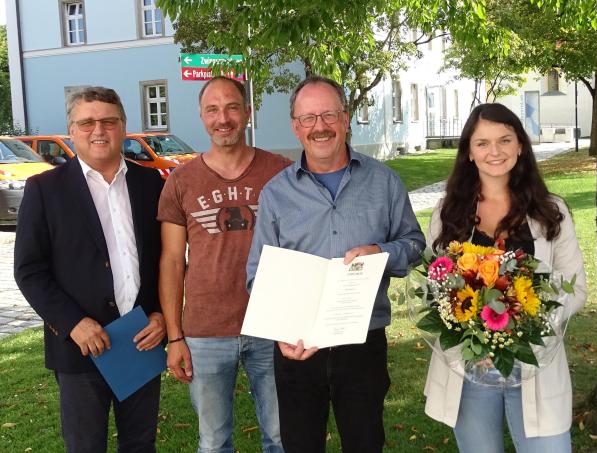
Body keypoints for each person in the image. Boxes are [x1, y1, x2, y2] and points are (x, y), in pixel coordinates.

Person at [245, 76, 425, 453]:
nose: (319, 126)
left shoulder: (384, 183)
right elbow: (257, 276)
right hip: (297, 346)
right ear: (296, 127)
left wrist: (381, 252)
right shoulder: (277, 193)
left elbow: (414, 245)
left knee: (365, 443)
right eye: (308, 118)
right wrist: (280, 330)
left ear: (345, 119)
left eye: (328, 114)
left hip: (362, 344)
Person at [422, 103, 587, 453]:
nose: (493, 151)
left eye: (504, 140)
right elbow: (434, 289)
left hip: (535, 363)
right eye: (482, 143)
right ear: (469, 150)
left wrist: (523, 326)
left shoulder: (550, 212)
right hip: (470, 370)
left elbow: (577, 290)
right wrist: (470, 332)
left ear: (520, 146)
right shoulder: (448, 211)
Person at [14, 86, 165, 452]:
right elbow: (29, 270)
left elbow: (167, 258)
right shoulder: (44, 189)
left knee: (140, 444)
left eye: (109, 121)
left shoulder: (150, 184)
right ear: (71, 130)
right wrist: (72, 323)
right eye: (87, 123)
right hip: (82, 346)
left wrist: (161, 314)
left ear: (123, 127)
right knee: (85, 446)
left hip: (140, 340)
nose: (99, 130)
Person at [158, 76, 291, 453]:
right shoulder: (181, 181)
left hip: (273, 324)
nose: (223, 118)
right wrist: (174, 336)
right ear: (201, 116)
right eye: (213, 109)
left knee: (282, 437)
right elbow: (171, 261)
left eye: (232, 107)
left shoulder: (281, 172)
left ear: (247, 113)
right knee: (213, 442)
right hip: (205, 330)